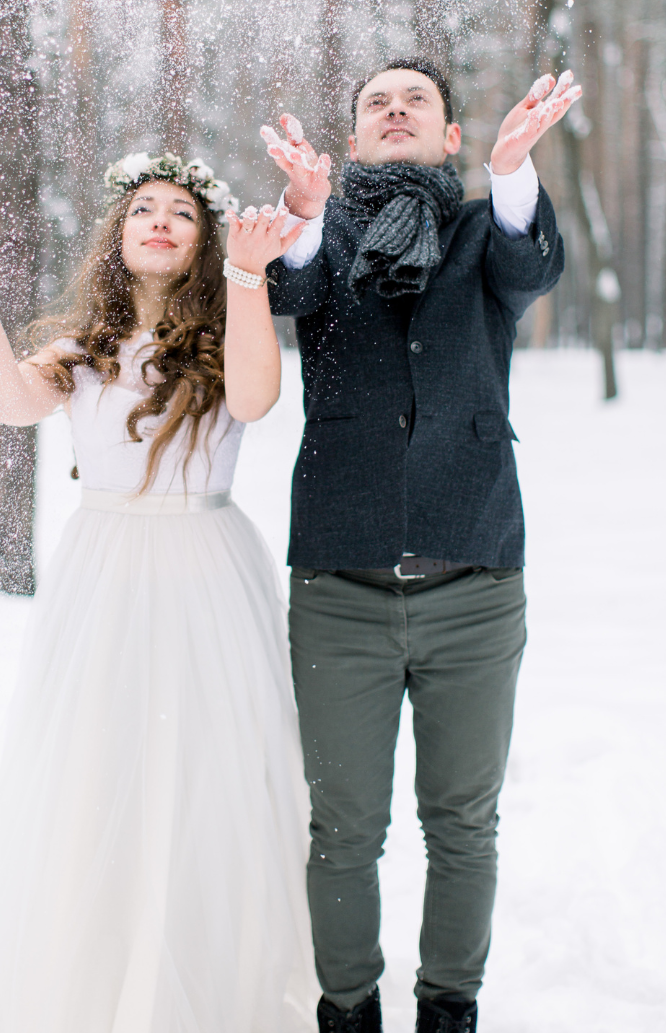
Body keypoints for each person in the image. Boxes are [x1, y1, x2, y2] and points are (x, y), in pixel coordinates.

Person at [0, 152, 317, 1033]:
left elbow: (256, 394)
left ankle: (212, 975)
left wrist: (247, 275)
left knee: (211, 771)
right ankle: (101, 979)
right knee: (99, 763)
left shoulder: (231, 322)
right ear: (117, 240)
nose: (159, 221)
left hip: (206, 564)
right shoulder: (80, 350)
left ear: (203, 243)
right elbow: (8, 402)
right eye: (141, 210)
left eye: (182, 213)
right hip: (105, 570)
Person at [258, 60, 582, 1033]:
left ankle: (450, 1011)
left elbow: (534, 266)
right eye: (374, 102)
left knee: (463, 826)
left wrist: (514, 170)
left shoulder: (490, 233)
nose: (394, 110)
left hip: (475, 582)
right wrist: (306, 208)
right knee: (346, 829)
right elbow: (293, 283)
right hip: (339, 586)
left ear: (449, 138)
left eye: (417, 101)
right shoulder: (325, 231)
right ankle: (347, 1010)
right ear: (353, 141)